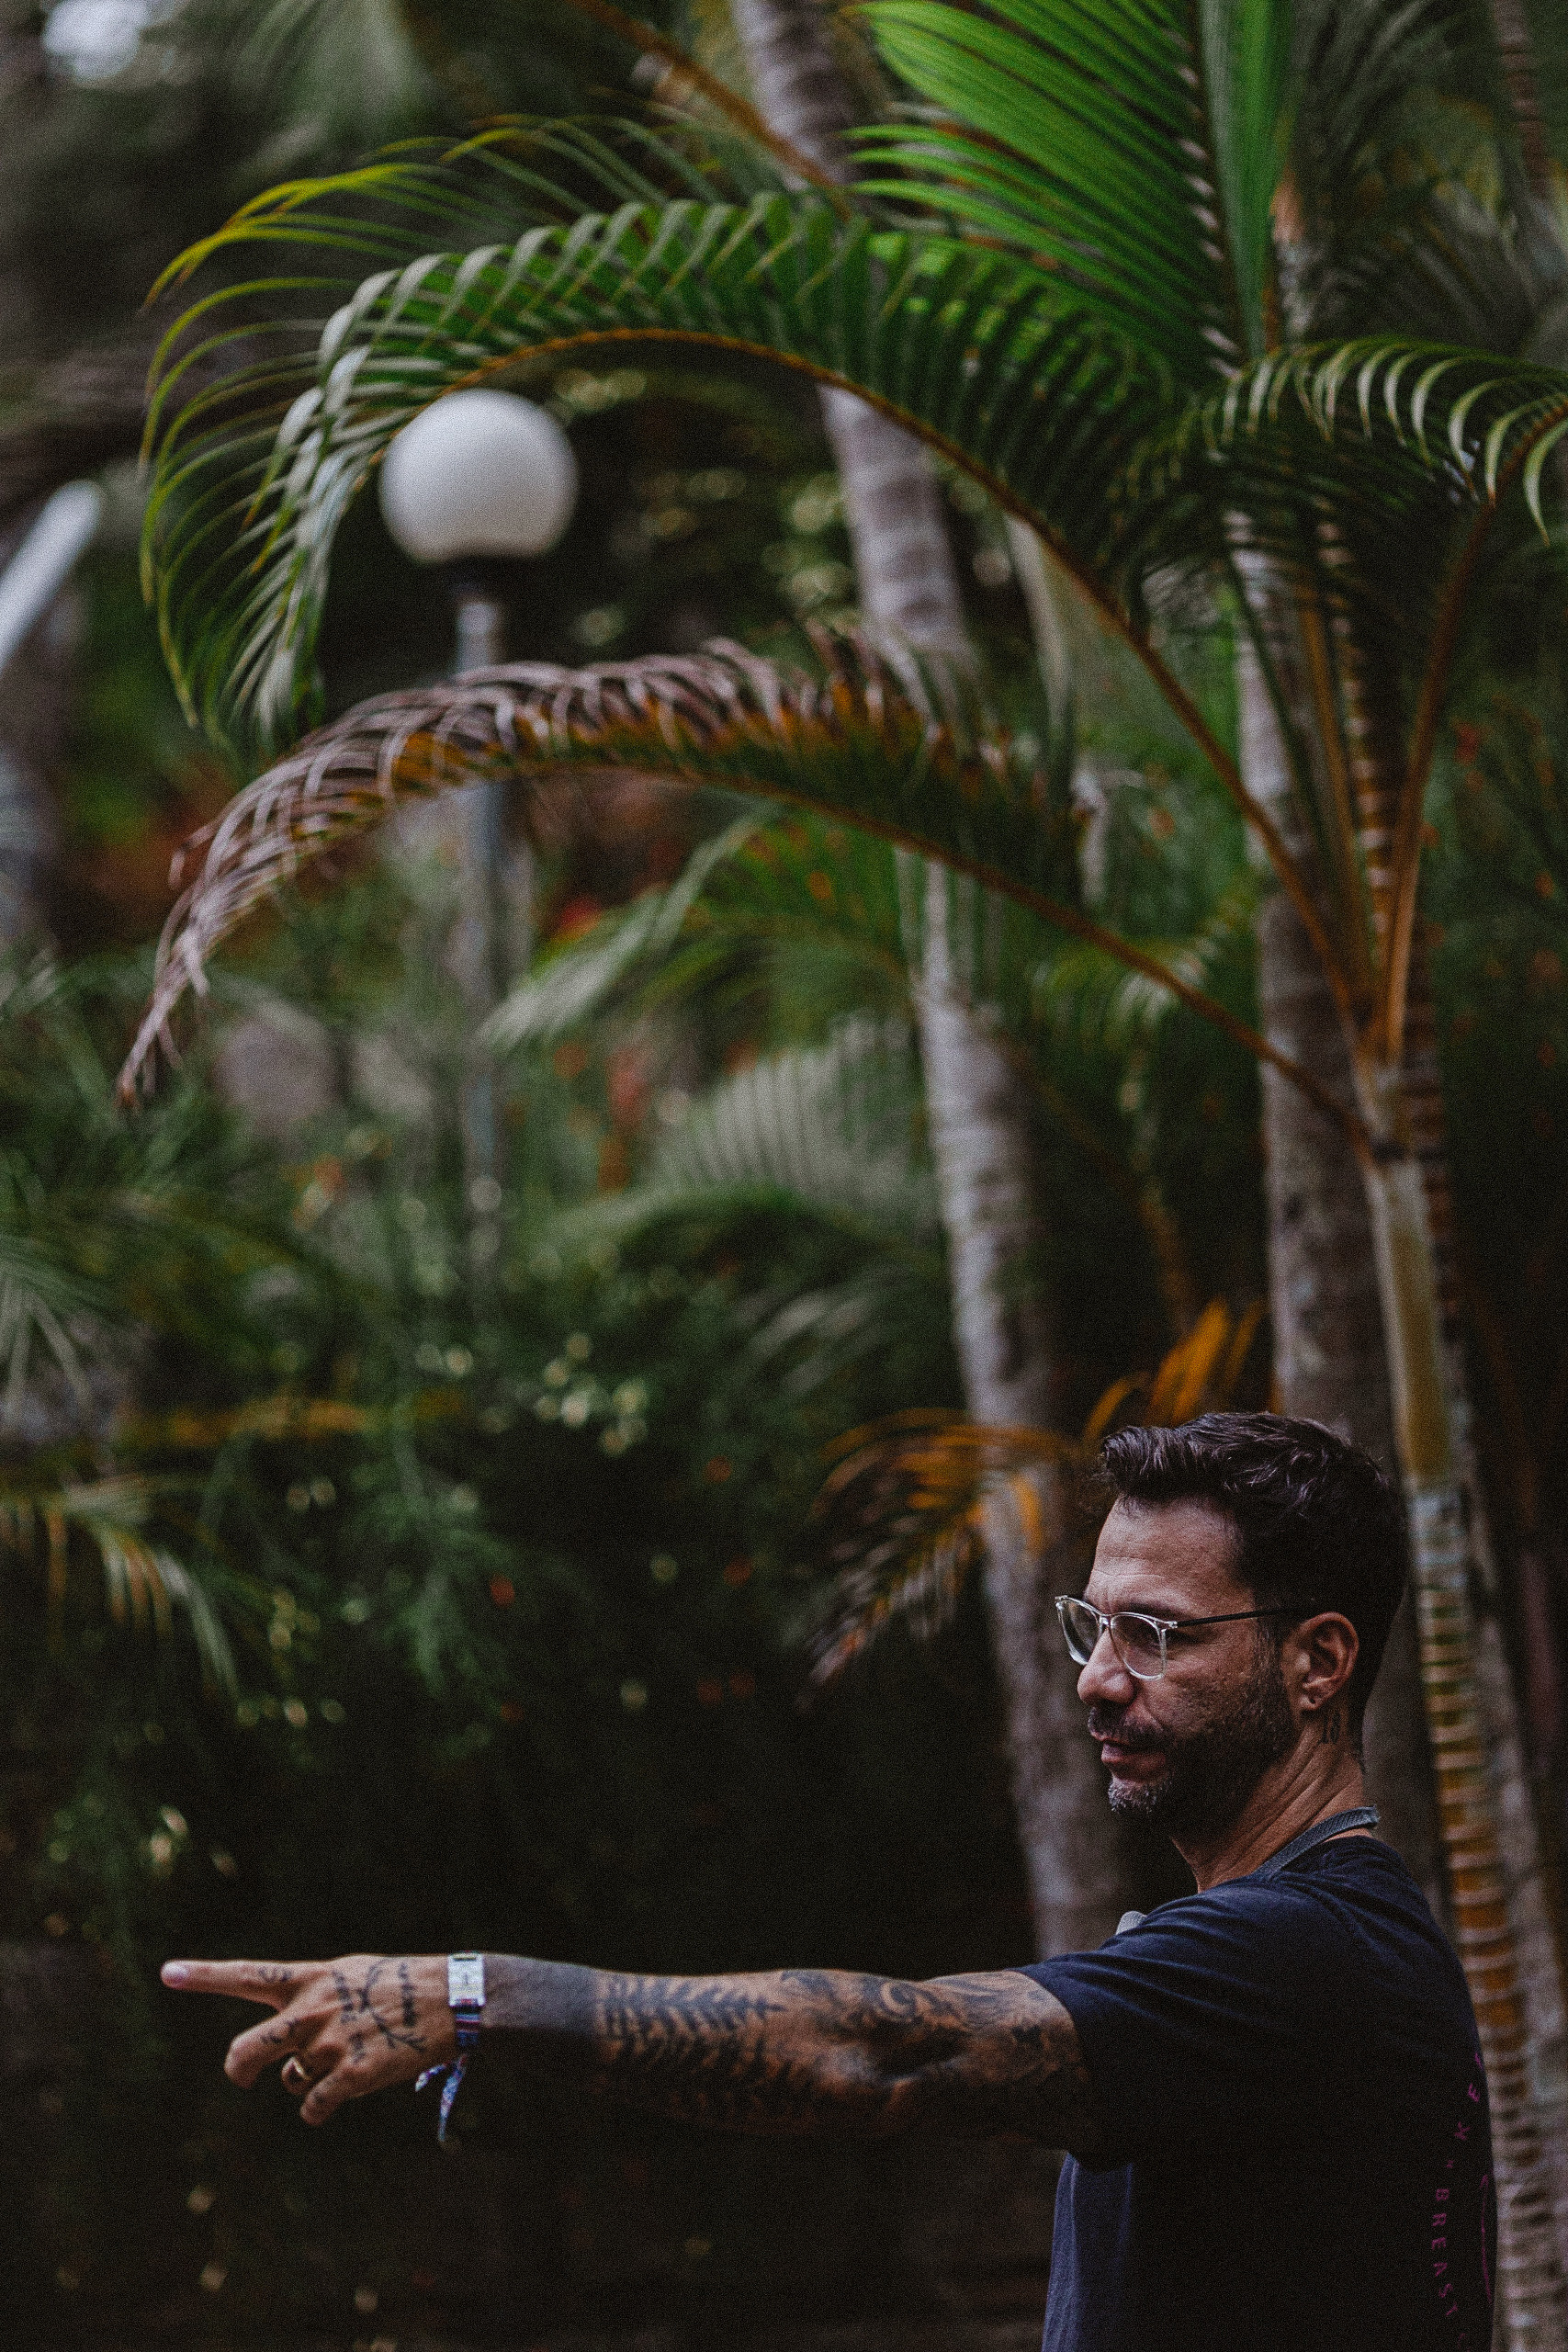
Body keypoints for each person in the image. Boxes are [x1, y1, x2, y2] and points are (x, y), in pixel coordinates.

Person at [163, 1412, 1494, 2351]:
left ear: (1318, 1663)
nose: (1096, 1678)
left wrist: (472, 1998)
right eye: (1094, 1626)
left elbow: (891, 2051)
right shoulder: (1307, 1949)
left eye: (1157, 1635)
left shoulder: (1305, 1958)